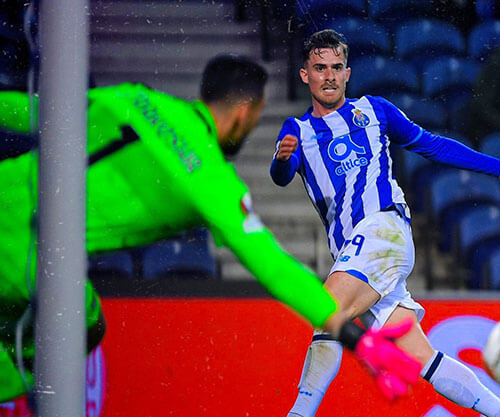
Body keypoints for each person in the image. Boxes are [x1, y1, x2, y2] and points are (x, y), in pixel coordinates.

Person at [0, 55, 419, 405]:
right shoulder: (212, 179)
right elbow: (272, 267)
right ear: (245, 112)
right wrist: (354, 337)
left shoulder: (135, 98)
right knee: (84, 322)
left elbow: (28, 112)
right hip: (24, 252)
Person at [270, 30, 500, 417]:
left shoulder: (375, 110)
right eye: (319, 68)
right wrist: (281, 160)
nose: (328, 75)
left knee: (324, 310)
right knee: (422, 356)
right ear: (304, 75)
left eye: (336, 67)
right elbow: (282, 174)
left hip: (383, 228)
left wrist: (497, 168)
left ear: (348, 73)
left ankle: (299, 413)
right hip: (357, 252)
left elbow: (434, 144)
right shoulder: (298, 131)